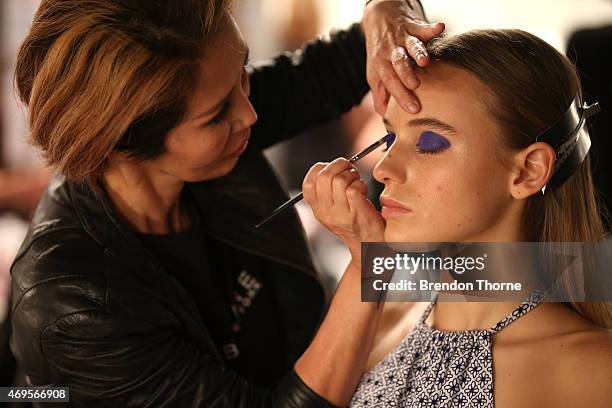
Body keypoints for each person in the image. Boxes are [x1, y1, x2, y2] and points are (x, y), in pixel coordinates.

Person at [7, 0, 447, 406]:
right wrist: (367, 262)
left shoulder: (213, 105)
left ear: (521, 173)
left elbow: (362, 51)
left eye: (244, 72)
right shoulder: (73, 305)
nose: (250, 115)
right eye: (216, 116)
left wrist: (386, 10)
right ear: (123, 143)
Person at [302, 29, 612, 407]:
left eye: (430, 143)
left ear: (528, 171)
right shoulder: (371, 321)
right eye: (389, 139)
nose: (384, 170)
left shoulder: (595, 373)